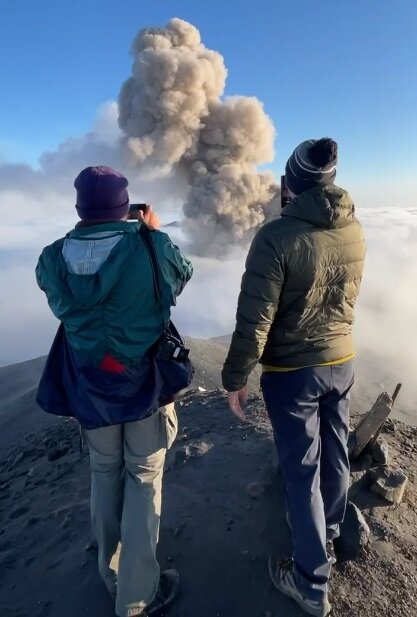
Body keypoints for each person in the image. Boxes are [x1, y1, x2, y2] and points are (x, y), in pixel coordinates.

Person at [36, 165, 193, 617]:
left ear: (80, 208)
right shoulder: (151, 245)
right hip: (144, 385)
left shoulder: (52, 256)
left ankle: (111, 575)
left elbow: (57, 291)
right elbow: (179, 279)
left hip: (89, 387)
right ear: (126, 207)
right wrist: (149, 233)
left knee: (104, 476)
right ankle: (137, 596)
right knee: (143, 477)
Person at [222, 139, 366, 617]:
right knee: (336, 449)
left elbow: (255, 319)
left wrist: (236, 375)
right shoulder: (354, 228)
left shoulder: (276, 237)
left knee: (302, 468)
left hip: (292, 372)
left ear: (289, 185)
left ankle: (310, 581)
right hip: (341, 359)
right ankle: (327, 530)